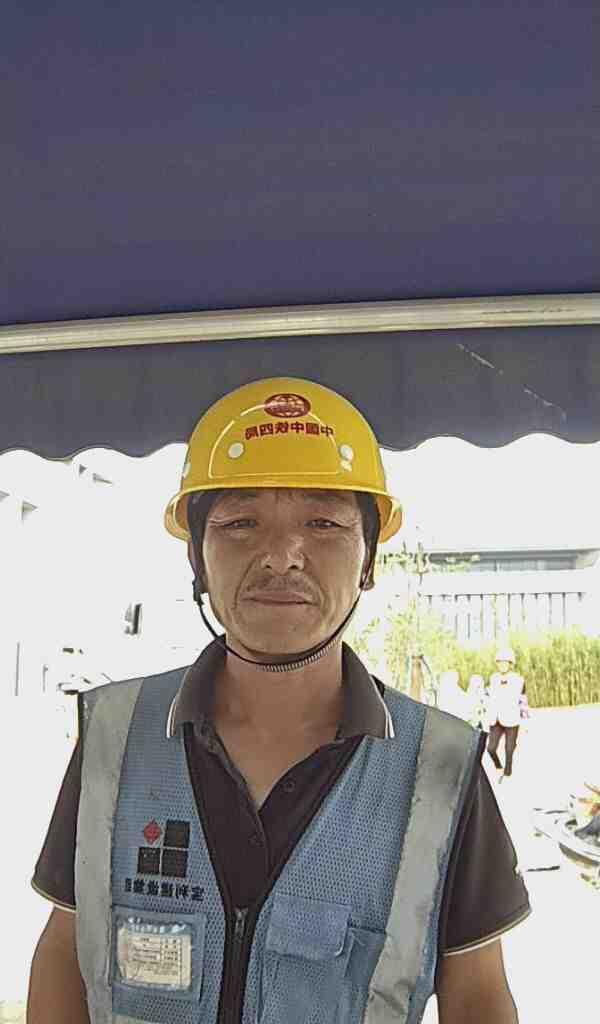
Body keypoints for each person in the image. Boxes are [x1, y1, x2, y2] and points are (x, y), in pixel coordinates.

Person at [27, 378, 530, 1024]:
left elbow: (479, 992)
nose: (281, 556)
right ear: (197, 558)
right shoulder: (114, 736)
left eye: (323, 523)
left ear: (369, 560)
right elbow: (65, 945)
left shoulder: (441, 765)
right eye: (241, 522)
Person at [486, 648, 528, 781]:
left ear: (510, 664)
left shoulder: (519, 680)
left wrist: (525, 721)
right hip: (496, 719)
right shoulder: (493, 678)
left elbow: (523, 701)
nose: (502, 665)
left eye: (505, 662)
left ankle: (508, 773)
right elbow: (489, 698)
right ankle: (498, 766)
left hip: (512, 719)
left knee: (509, 749)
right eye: (499, 662)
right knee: (490, 748)